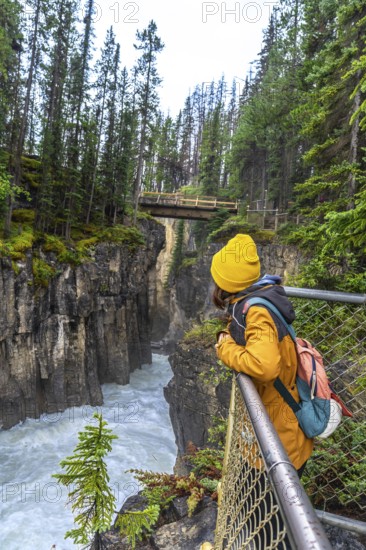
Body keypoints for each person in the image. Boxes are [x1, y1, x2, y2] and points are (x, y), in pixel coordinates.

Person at [210, 233, 313, 547]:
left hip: (278, 436)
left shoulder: (256, 310)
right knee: (271, 518)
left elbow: (265, 366)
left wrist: (225, 349)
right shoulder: (260, 298)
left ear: (227, 282)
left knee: (269, 524)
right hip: (279, 430)